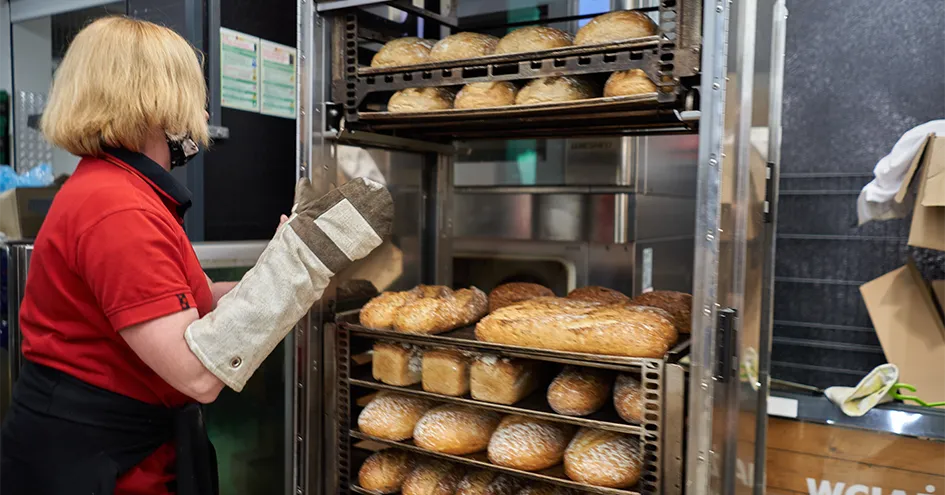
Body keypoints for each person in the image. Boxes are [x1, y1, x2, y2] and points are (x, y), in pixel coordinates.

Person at [0, 16, 392, 495]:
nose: (203, 113)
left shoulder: (127, 191)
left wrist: (292, 269)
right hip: (97, 465)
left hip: (113, 448)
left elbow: (197, 299)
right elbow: (198, 373)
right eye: (192, 92)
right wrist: (299, 263)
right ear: (151, 99)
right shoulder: (115, 207)